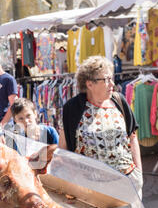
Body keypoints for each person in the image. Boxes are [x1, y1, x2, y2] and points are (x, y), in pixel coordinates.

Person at [58, 56, 143, 197]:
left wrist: (138, 173)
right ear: (89, 84)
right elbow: (64, 148)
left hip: (128, 182)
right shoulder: (73, 108)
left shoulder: (119, 101)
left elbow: (132, 137)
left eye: (111, 78)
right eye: (106, 80)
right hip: (93, 188)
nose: (112, 85)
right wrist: (76, 181)